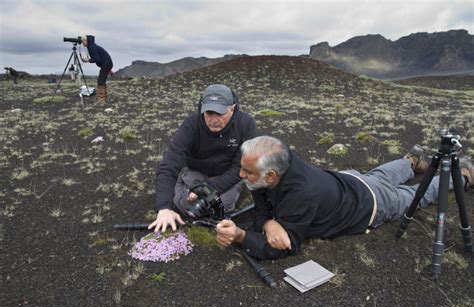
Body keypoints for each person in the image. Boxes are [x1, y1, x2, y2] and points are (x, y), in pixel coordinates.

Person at [216, 135, 474, 259]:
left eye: (247, 171)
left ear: (271, 175)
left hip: (371, 204)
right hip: (350, 179)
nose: (240, 174)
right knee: (379, 174)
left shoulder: (300, 196)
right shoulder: (279, 160)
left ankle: (462, 176)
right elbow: (262, 200)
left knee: (416, 194)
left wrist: (240, 235)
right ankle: (410, 162)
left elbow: (285, 247)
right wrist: (268, 223)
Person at [149, 84, 257, 233]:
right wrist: (164, 208)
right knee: (185, 204)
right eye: (209, 113)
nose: (214, 119)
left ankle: (193, 189)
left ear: (232, 109)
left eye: (220, 113)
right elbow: (169, 165)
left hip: (226, 173)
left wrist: (208, 187)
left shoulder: (245, 124)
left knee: (222, 206)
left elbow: (240, 167)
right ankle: (182, 184)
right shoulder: (191, 124)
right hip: (196, 169)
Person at [81, 35, 113, 103]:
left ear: (87, 41)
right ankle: (104, 98)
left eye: (83, 41)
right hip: (107, 64)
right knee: (102, 80)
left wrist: (88, 60)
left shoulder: (92, 47)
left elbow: (96, 59)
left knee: (100, 81)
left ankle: (101, 99)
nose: (82, 42)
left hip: (106, 64)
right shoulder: (92, 46)